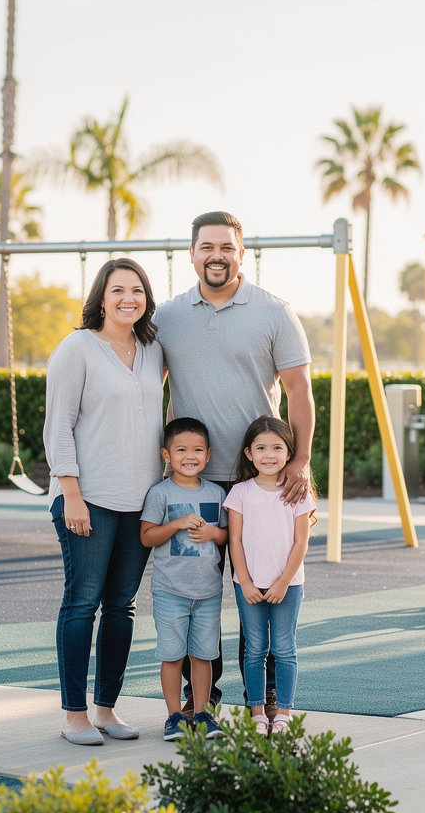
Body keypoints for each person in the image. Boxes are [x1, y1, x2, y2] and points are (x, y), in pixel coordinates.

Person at [154, 210, 315, 720]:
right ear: (192, 254)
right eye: (207, 247)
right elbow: (144, 391)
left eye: (226, 246)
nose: (216, 255)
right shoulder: (168, 316)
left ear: (241, 254)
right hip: (192, 480)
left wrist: (302, 463)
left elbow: (298, 392)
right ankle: (203, 703)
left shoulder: (274, 313)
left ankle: (263, 700)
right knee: (198, 594)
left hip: (256, 481)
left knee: (258, 590)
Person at [43, 257, 164, 746]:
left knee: (122, 607)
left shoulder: (153, 350)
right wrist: (71, 492)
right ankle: (74, 715)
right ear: (101, 296)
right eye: (118, 290)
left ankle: (106, 710)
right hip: (87, 499)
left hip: (140, 502)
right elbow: (59, 425)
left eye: (136, 291)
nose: (127, 299)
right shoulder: (77, 349)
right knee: (82, 603)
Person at [224, 416, 317, 735]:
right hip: (247, 586)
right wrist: (246, 582)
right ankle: (258, 713)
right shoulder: (239, 493)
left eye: (277, 447)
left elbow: (301, 542)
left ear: (289, 453)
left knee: (284, 648)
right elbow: (234, 541)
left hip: (287, 586)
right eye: (261, 447)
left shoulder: (298, 493)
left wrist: (281, 582)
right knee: (255, 649)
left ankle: (284, 713)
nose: (269, 454)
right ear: (249, 453)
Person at [140, 417, 228, 741]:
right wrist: (176, 524)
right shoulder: (160, 494)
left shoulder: (217, 493)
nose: (189, 456)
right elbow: (147, 537)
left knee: (203, 655)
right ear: (166, 455)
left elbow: (225, 536)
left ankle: (202, 713)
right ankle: (174, 716)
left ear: (208, 455)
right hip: (170, 591)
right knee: (173, 655)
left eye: (197, 450)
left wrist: (213, 532)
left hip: (208, 591)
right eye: (181, 450)